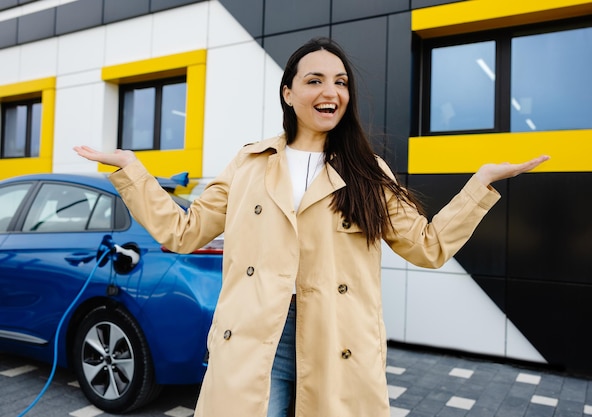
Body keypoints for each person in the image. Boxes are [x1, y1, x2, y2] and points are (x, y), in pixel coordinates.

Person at [74, 37, 548, 417]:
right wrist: (132, 170)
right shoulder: (249, 162)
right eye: (315, 80)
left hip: (337, 340)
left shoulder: (367, 170)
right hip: (259, 335)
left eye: (340, 82)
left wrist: (480, 184)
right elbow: (184, 231)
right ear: (289, 93)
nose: (331, 92)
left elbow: (428, 246)